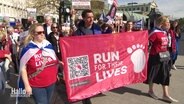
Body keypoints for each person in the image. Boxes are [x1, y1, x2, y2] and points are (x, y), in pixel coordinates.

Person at [17, 23, 58, 104]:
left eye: (43, 32)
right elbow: (23, 69)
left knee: (49, 102)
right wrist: (27, 85)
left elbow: (54, 60)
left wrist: (58, 66)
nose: (42, 34)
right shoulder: (27, 49)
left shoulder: (48, 45)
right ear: (32, 34)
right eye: (39, 32)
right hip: (37, 85)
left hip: (51, 82)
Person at [146, 16, 178, 103]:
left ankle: (166, 95)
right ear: (162, 23)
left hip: (164, 57)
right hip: (155, 57)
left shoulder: (164, 32)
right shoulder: (155, 32)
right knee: (152, 75)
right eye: (167, 22)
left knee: (165, 75)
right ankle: (150, 91)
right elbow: (147, 43)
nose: (169, 24)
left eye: (168, 22)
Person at [73, 9, 102, 104]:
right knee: (85, 81)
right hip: (83, 60)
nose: (91, 19)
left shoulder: (97, 29)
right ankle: (86, 98)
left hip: (95, 58)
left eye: (92, 17)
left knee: (93, 79)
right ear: (84, 18)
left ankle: (90, 94)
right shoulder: (78, 31)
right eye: (89, 17)